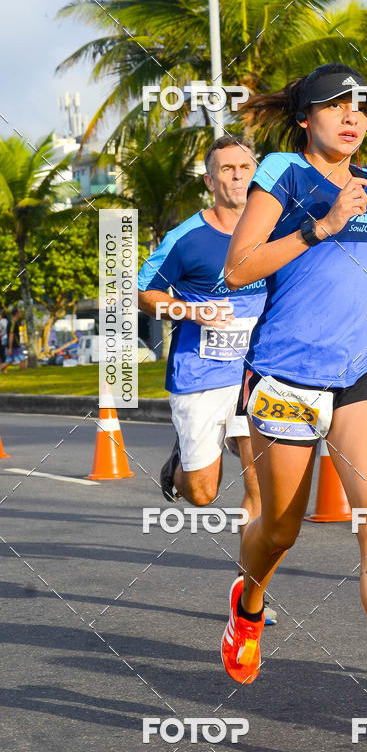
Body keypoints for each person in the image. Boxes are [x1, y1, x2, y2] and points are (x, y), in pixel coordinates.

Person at [222, 63, 367, 752]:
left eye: (359, 106)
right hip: (287, 372)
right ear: (305, 119)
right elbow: (239, 268)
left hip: (362, 365)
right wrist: (321, 226)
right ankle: (249, 601)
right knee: (280, 530)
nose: (351, 117)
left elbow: (361, 251)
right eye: (334, 106)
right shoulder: (284, 175)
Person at [137, 135, 278, 625]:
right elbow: (144, 292)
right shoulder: (187, 237)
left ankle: (252, 598)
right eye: (227, 169)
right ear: (210, 180)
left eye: (245, 167)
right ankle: (181, 460)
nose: (237, 176)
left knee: (263, 487)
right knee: (202, 493)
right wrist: (191, 308)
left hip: (258, 372)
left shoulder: (277, 225)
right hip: (201, 372)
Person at [0, 307, 26, 372]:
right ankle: (23, 373)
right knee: (23, 359)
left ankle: (22, 372)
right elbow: (11, 335)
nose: (21, 314)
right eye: (20, 312)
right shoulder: (13, 322)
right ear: (16, 314)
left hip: (13, 345)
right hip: (15, 345)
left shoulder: (14, 322)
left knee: (8, 361)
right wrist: (10, 348)